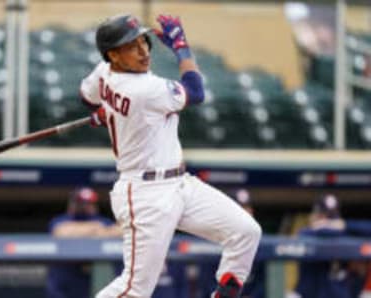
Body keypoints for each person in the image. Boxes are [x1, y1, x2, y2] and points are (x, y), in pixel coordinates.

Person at [81, 14, 262, 298]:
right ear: (113, 55)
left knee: (246, 232)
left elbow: (87, 96)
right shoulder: (145, 89)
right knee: (135, 288)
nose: (143, 51)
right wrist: (181, 47)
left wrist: (111, 110)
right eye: (131, 46)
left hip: (179, 183)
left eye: (143, 41)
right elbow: (197, 91)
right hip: (145, 193)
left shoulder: (103, 72)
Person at [46, 187, 121, 298]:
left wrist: (83, 232)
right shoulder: (61, 220)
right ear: (72, 204)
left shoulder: (101, 220)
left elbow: (119, 231)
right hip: (63, 278)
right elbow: (61, 232)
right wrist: (97, 230)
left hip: (85, 278)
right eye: (81, 203)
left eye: (89, 203)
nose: (85, 207)